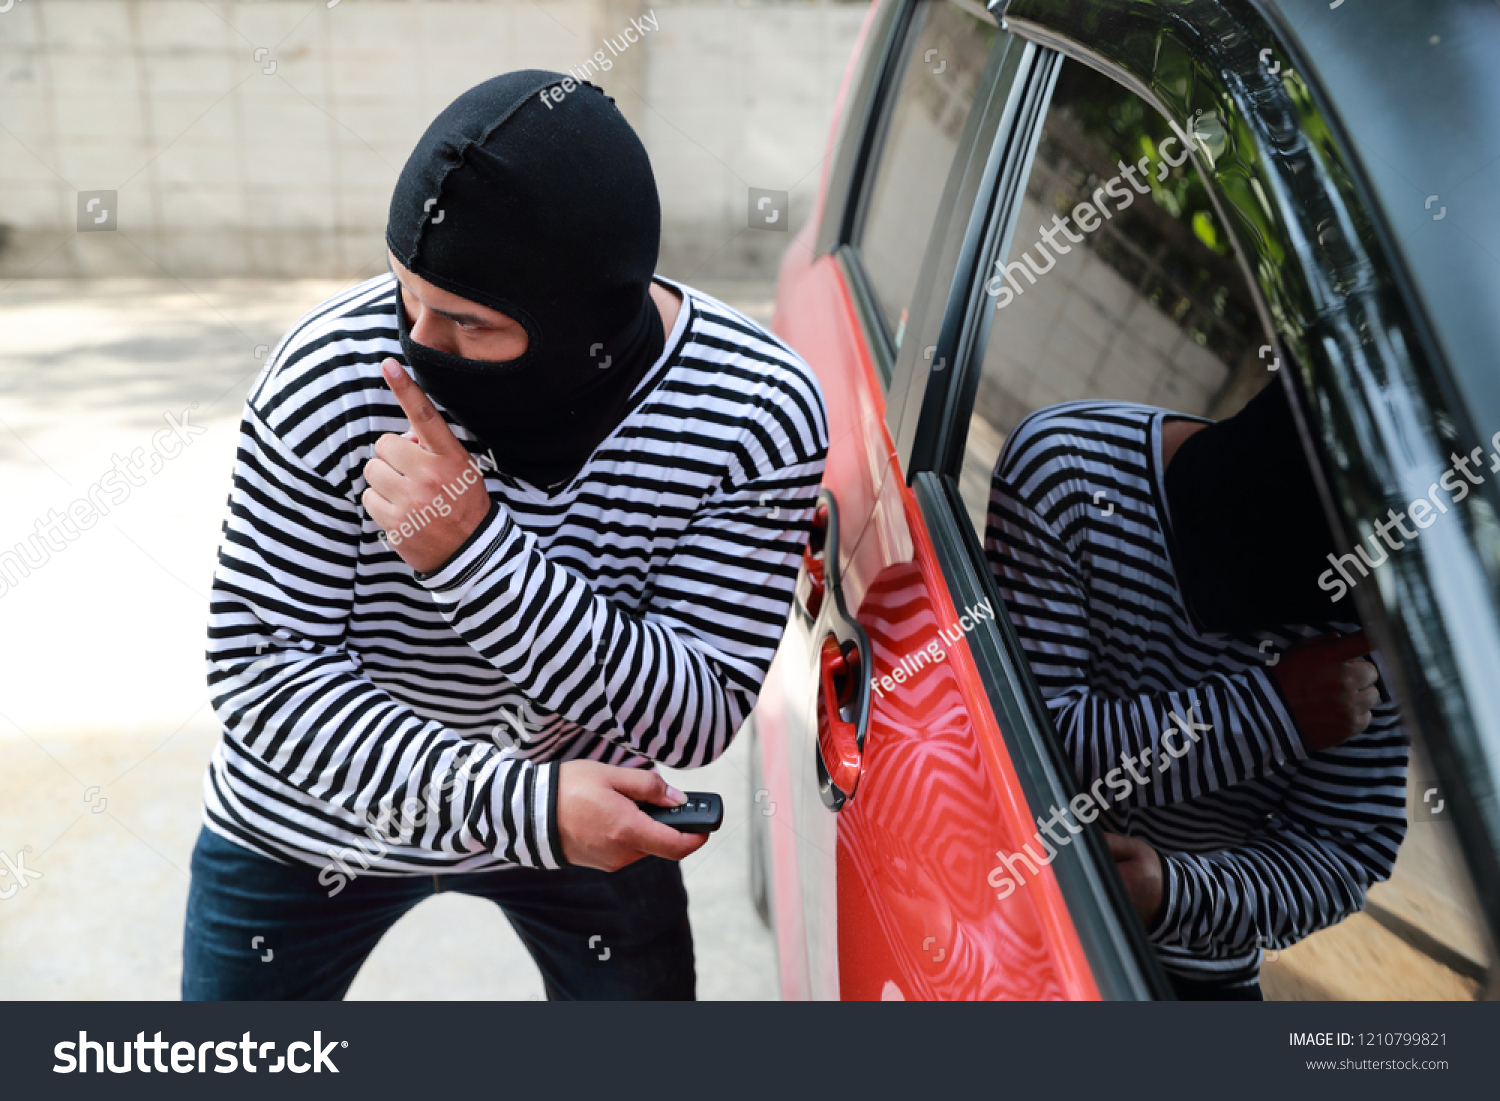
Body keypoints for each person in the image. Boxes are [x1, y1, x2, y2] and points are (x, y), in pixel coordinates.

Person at [180, 70, 828, 1000]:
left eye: (467, 322)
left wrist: (471, 553)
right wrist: (523, 806)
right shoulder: (331, 371)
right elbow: (263, 671)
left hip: (591, 815)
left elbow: (695, 713)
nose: (416, 342)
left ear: (584, 318)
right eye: (407, 295)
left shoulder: (752, 408)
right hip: (314, 816)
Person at [984, 379, 1407, 999]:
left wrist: (1175, 893)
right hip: (1003, 896)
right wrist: (1276, 711)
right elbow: (1027, 752)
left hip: (1194, 967)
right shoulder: (1067, 468)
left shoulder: (1373, 610)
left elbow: (1340, 853)